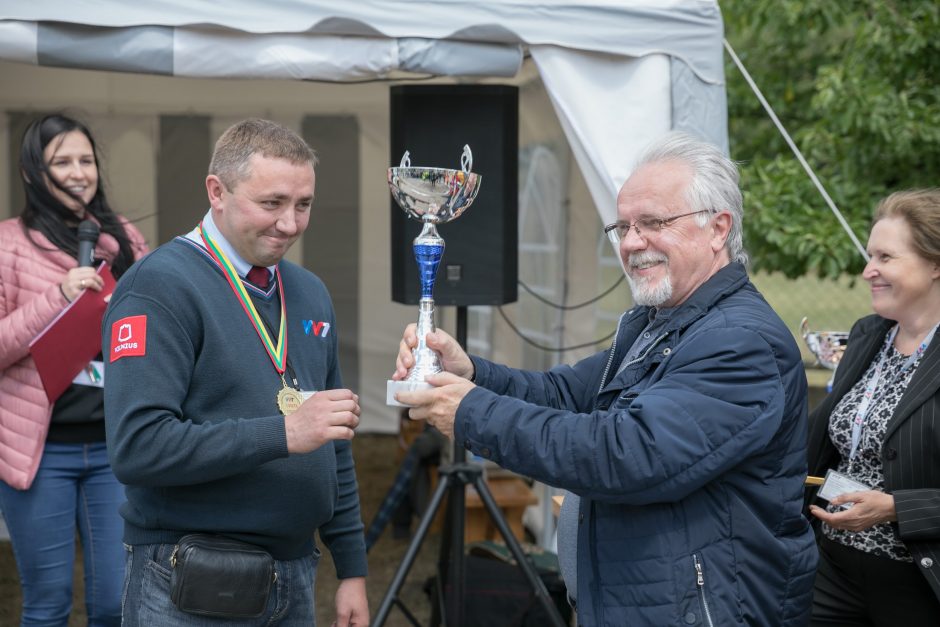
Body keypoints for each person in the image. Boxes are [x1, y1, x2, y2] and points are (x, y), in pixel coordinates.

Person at [393, 131, 817, 625]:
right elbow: (566, 394)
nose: (633, 243)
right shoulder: (660, 320)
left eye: (654, 223)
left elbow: (625, 455)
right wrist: (471, 374)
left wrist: (470, 411)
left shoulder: (740, 341)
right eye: (623, 227)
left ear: (718, 229)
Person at [102, 118, 368, 626]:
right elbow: (138, 448)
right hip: (188, 579)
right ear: (216, 191)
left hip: (295, 573)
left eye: (303, 204)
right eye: (271, 203)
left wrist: (351, 566)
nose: (290, 223)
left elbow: (332, 437)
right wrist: (285, 432)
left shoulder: (309, 291)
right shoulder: (159, 288)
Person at [0, 113, 149, 626]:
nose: (78, 172)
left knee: (115, 601)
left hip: (115, 450)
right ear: (31, 172)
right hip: (40, 456)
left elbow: (154, 331)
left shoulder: (123, 238)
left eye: (85, 160)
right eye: (61, 161)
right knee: (47, 605)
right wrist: (57, 298)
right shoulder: (7, 244)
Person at [806, 189, 940, 626]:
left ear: (935, 264)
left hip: (918, 581)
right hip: (833, 566)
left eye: (886, 257)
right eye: (869, 255)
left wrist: (897, 507)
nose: (868, 271)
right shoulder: (869, 335)